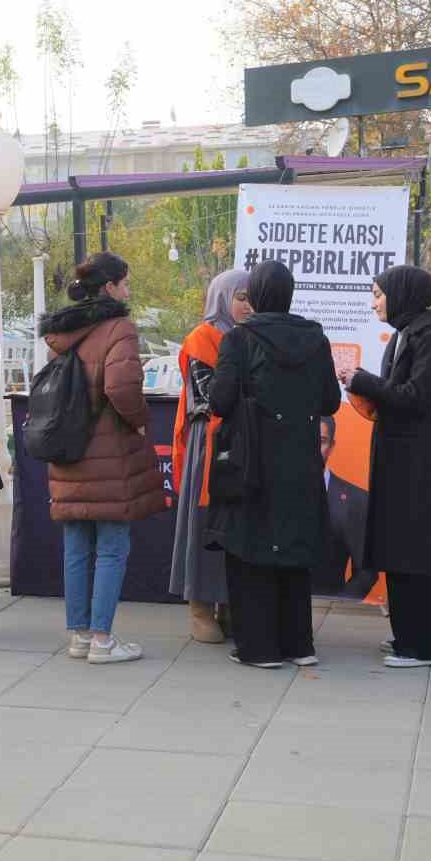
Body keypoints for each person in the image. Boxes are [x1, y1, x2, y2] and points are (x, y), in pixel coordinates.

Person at [208, 260, 340, 668]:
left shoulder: (240, 340)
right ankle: (299, 645)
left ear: (259, 294)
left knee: (251, 549)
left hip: (253, 461)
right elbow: (330, 402)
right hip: (300, 459)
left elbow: (219, 401)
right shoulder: (315, 338)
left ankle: (259, 648)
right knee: (294, 550)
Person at [40, 252, 166, 664]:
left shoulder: (63, 331)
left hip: (67, 450)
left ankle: (78, 637)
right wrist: (141, 421)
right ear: (110, 287)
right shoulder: (118, 328)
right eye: (125, 283)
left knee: (76, 544)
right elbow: (122, 387)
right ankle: (102, 641)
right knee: (112, 546)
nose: (128, 290)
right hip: (108, 453)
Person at [341, 264, 431, 668]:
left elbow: (416, 396)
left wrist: (364, 380)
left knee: (412, 551)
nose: (374, 303)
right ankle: (410, 636)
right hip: (402, 457)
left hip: (417, 462)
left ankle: (420, 647)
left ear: (401, 294)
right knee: (400, 549)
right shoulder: (411, 334)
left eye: (378, 294)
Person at [168, 268, 250, 643]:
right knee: (205, 524)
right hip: (211, 444)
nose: (248, 305)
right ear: (222, 297)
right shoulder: (202, 337)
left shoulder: (253, 337)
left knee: (237, 525)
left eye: (252, 297)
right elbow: (207, 399)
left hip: (244, 442)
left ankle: (233, 604)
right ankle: (200, 607)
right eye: (241, 297)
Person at [315, 414, 372, 599]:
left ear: (331, 446)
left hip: (328, 605)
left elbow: (366, 571)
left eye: (321, 441)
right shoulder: (276, 492)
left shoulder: (356, 500)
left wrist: (340, 601)